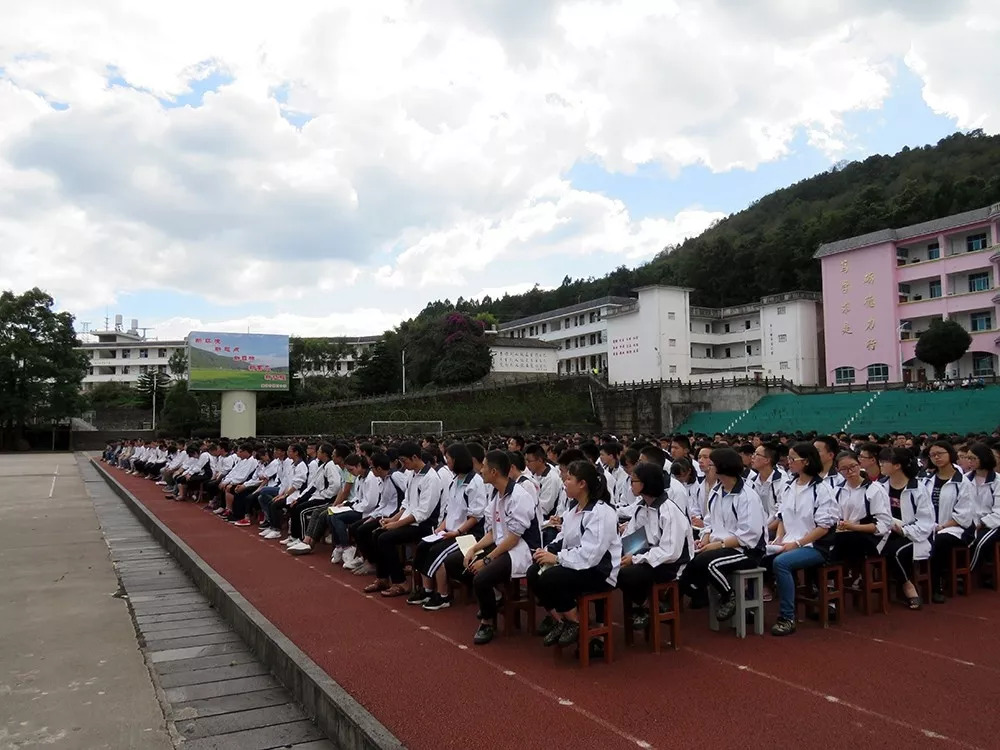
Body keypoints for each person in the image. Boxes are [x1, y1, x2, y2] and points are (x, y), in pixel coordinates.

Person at [528, 459, 621, 649]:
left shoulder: (600, 512)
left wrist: (557, 559)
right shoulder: (574, 508)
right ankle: (564, 621)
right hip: (578, 563)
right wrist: (546, 552)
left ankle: (576, 624)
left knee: (551, 577)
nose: (564, 482)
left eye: (569, 478)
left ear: (582, 484)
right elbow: (563, 538)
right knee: (533, 573)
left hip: (599, 571)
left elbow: (591, 555)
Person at [446, 450, 537, 644]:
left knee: (481, 576)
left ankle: (487, 622)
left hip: (521, 549)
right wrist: (473, 549)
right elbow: (493, 532)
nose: (481, 471)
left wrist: (487, 560)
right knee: (455, 563)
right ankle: (495, 597)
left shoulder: (519, 495)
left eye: (485, 467)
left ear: (494, 472)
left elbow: (513, 538)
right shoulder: (497, 494)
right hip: (503, 544)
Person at [679, 447, 765, 620]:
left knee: (711, 564)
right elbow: (710, 521)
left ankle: (728, 596)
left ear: (723, 467)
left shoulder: (747, 496)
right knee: (687, 560)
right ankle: (696, 592)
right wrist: (704, 538)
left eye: (712, 463)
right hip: (722, 546)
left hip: (746, 550)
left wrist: (717, 545)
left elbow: (750, 535)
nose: (708, 465)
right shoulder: (717, 491)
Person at [767, 442, 839, 636]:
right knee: (758, 554)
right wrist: (779, 538)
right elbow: (783, 516)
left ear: (806, 462)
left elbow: (824, 527)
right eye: (788, 459)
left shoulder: (822, 490)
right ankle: (749, 608)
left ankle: (787, 617)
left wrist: (797, 543)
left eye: (792, 459)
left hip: (814, 546)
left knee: (781, 563)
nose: (788, 462)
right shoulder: (790, 486)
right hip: (791, 540)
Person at [410, 444, 488, 611]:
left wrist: (456, 532)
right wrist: (441, 528)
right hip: (451, 530)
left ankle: (443, 595)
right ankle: (427, 590)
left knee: (437, 552)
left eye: (449, 459)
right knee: (424, 546)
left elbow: (476, 516)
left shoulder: (474, 482)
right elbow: (450, 511)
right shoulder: (455, 480)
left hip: (468, 533)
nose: (447, 463)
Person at [617, 462, 694, 629]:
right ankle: (648, 604)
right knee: (612, 569)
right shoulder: (641, 508)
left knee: (624, 575)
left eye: (634, 481)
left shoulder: (668, 511)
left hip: (672, 564)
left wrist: (636, 559)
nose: (631, 485)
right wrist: (622, 555)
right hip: (648, 557)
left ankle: (649, 606)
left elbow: (670, 552)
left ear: (646, 483)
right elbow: (629, 539)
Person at [365, 442, 442, 597]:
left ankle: (401, 582)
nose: (403, 464)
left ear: (414, 457)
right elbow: (406, 504)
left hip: (425, 525)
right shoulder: (412, 475)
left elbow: (423, 513)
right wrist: (391, 519)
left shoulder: (430, 478)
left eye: (404, 460)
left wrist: (396, 525)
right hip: (410, 521)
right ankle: (382, 578)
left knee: (385, 538)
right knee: (377, 533)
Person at [878, 447, 935, 610]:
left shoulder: (917, 488)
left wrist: (903, 530)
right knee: (870, 546)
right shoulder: (880, 486)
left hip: (914, 535)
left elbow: (926, 521)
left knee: (892, 551)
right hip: (886, 532)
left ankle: (908, 586)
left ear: (897, 466)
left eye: (884, 462)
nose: (880, 464)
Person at [923, 440, 976, 603]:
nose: (936, 457)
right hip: (931, 525)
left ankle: (936, 585)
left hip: (958, 529)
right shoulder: (926, 481)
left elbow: (964, 515)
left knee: (940, 541)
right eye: (932, 455)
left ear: (950, 454)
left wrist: (942, 526)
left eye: (940, 453)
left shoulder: (963, 482)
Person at [829, 450, 892, 581]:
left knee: (846, 540)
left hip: (872, 536)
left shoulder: (874, 489)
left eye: (853, 466)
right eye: (844, 469)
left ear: (859, 464)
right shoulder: (837, 490)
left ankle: (840, 577)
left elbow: (884, 524)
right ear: (838, 470)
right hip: (845, 534)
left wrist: (853, 526)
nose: (850, 471)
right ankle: (839, 577)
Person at [968, 442, 1000, 572]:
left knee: (979, 543)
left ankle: (967, 574)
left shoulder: (997, 482)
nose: (969, 461)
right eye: (967, 458)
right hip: (971, 523)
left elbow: (998, 512)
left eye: (973, 458)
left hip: (993, 524)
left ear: (984, 458)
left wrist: (981, 523)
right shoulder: (965, 480)